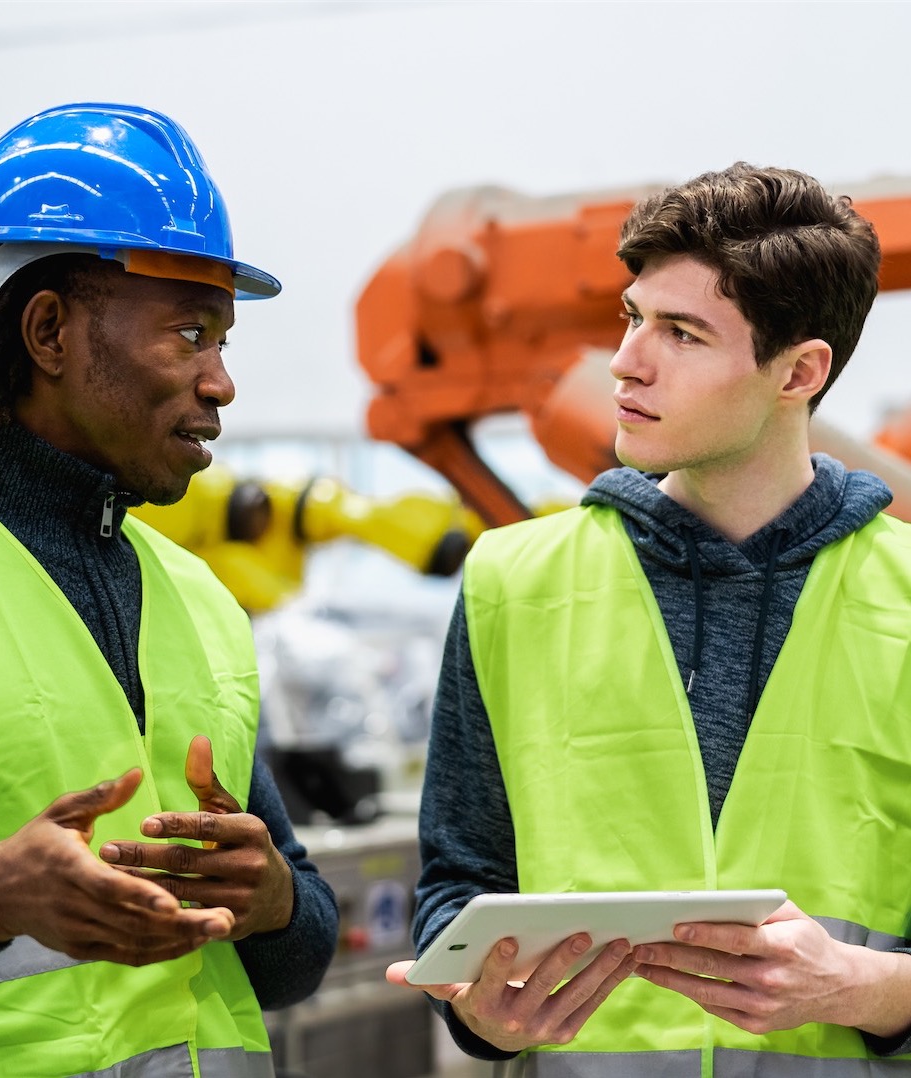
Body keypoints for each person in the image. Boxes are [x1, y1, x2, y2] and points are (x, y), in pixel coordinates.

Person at [0, 102, 337, 1075]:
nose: (220, 381)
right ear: (49, 330)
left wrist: (273, 902)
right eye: (188, 333)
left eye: (223, 339)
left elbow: (293, 957)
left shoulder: (202, 603)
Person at [386, 163, 911, 1074]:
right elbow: (460, 877)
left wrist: (861, 988)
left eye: (682, 332)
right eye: (632, 318)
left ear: (800, 371)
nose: (625, 360)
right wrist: (485, 1018)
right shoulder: (512, 581)